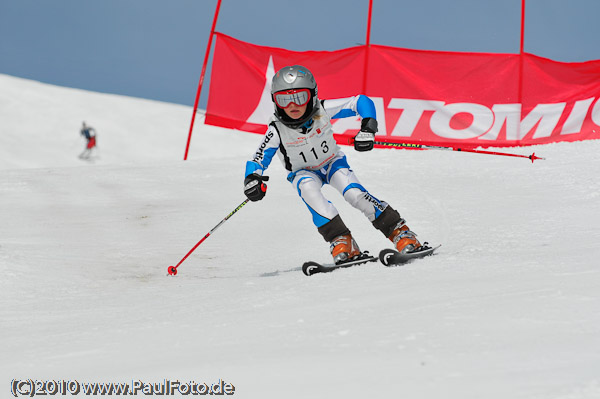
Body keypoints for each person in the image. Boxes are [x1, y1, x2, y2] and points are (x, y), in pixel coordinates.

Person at [243, 65, 424, 264]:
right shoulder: (276, 129)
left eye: (300, 97)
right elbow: (258, 159)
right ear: (275, 101)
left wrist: (368, 126)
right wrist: (253, 179)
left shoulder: (322, 110)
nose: (292, 105)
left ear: (312, 95)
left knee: (355, 194)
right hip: (303, 173)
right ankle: (342, 241)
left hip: (332, 163)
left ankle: (400, 232)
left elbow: (360, 101)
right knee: (310, 194)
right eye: (284, 100)